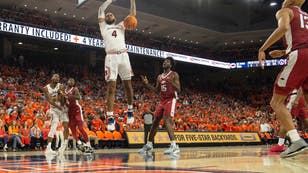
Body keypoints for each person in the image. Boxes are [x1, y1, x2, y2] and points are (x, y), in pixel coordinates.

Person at [258, 0, 308, 158]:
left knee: (276, 102)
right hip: (302, 52)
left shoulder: (285, 11)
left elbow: (284, 27)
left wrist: (262, 48)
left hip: (300, 55)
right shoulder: (306, 15)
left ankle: (296, 140)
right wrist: (284, 51)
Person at [98, 0, 136, 130]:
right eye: (107, 15)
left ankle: (130, 109)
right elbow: (101, 9)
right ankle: (110, 117)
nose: (109, 15)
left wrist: (132, 1)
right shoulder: (103, 27)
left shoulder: (121, 25)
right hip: (111, 57)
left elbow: (132, 14)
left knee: (128, 85)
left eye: (111, 14)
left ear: (114, 18)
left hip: (124, 56)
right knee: (111, 88)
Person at [139, 57, 181, 154]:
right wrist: (147, 84)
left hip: (171, 99)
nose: (165, 63)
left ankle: (174, 146)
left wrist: (172, 82)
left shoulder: (174, 74)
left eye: (167, 62)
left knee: (167, 120)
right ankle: (149, 144)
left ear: (170, 65)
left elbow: (178, 89)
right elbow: (156, 91)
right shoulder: (159, 77)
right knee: (155, 122)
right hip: (162, 101)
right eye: (164, 61)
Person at [269, 88, 308, 152]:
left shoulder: (294, 79)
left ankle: (280, 145)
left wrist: (296, 99)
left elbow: (300, 87)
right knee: (306, 121)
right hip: (301, 98)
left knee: (285, 121)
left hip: (294, 97)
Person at [42, 74, 69, 155]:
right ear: (51, 78)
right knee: (53, 127)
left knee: (66, 126)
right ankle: (48, 148)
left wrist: (56, 98)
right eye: (55, 76)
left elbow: (61, 98)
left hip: (62, 107)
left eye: (58, 77)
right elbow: (49, 100)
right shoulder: (46, 88)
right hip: (54, 109)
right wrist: (57, 104)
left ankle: (63, 146)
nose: (57, 78)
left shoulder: (60, 85)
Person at [65, 78, 93, 153]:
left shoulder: (75, 89)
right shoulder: (64, 90)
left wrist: (70, 96)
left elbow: (79, 97)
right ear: (67, 82)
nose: (71, 82)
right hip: (69, 111)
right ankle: (79, 143)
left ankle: (88, 144)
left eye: (72, 81)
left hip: (77, 110)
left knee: (80, 128)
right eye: (70, 80)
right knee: (72, 129)